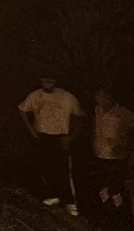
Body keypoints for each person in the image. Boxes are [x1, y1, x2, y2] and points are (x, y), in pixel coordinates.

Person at [20, 76, 86, 215]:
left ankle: (69, 200)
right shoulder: (36, 95)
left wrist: (71, 137)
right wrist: (31, 129)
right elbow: (23, 109)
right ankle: (51, 195)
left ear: (55, 81)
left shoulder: (66, 96)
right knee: (45, 166)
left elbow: (78, 115)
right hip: (43, 136)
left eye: (49, 81)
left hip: (60, 137)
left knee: (63, 168)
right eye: (44, 81)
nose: (46, 83)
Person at [91, 89, 134, 211]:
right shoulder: (97, 110)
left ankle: (117, 206)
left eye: (103, 97)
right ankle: (104, 206)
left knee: (115, 180)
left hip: (116, 153)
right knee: (102, 180)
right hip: (99, 152)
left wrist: (124, 142)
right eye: (98, 97)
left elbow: (133, 126)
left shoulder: (122, 112)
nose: (100, 100)